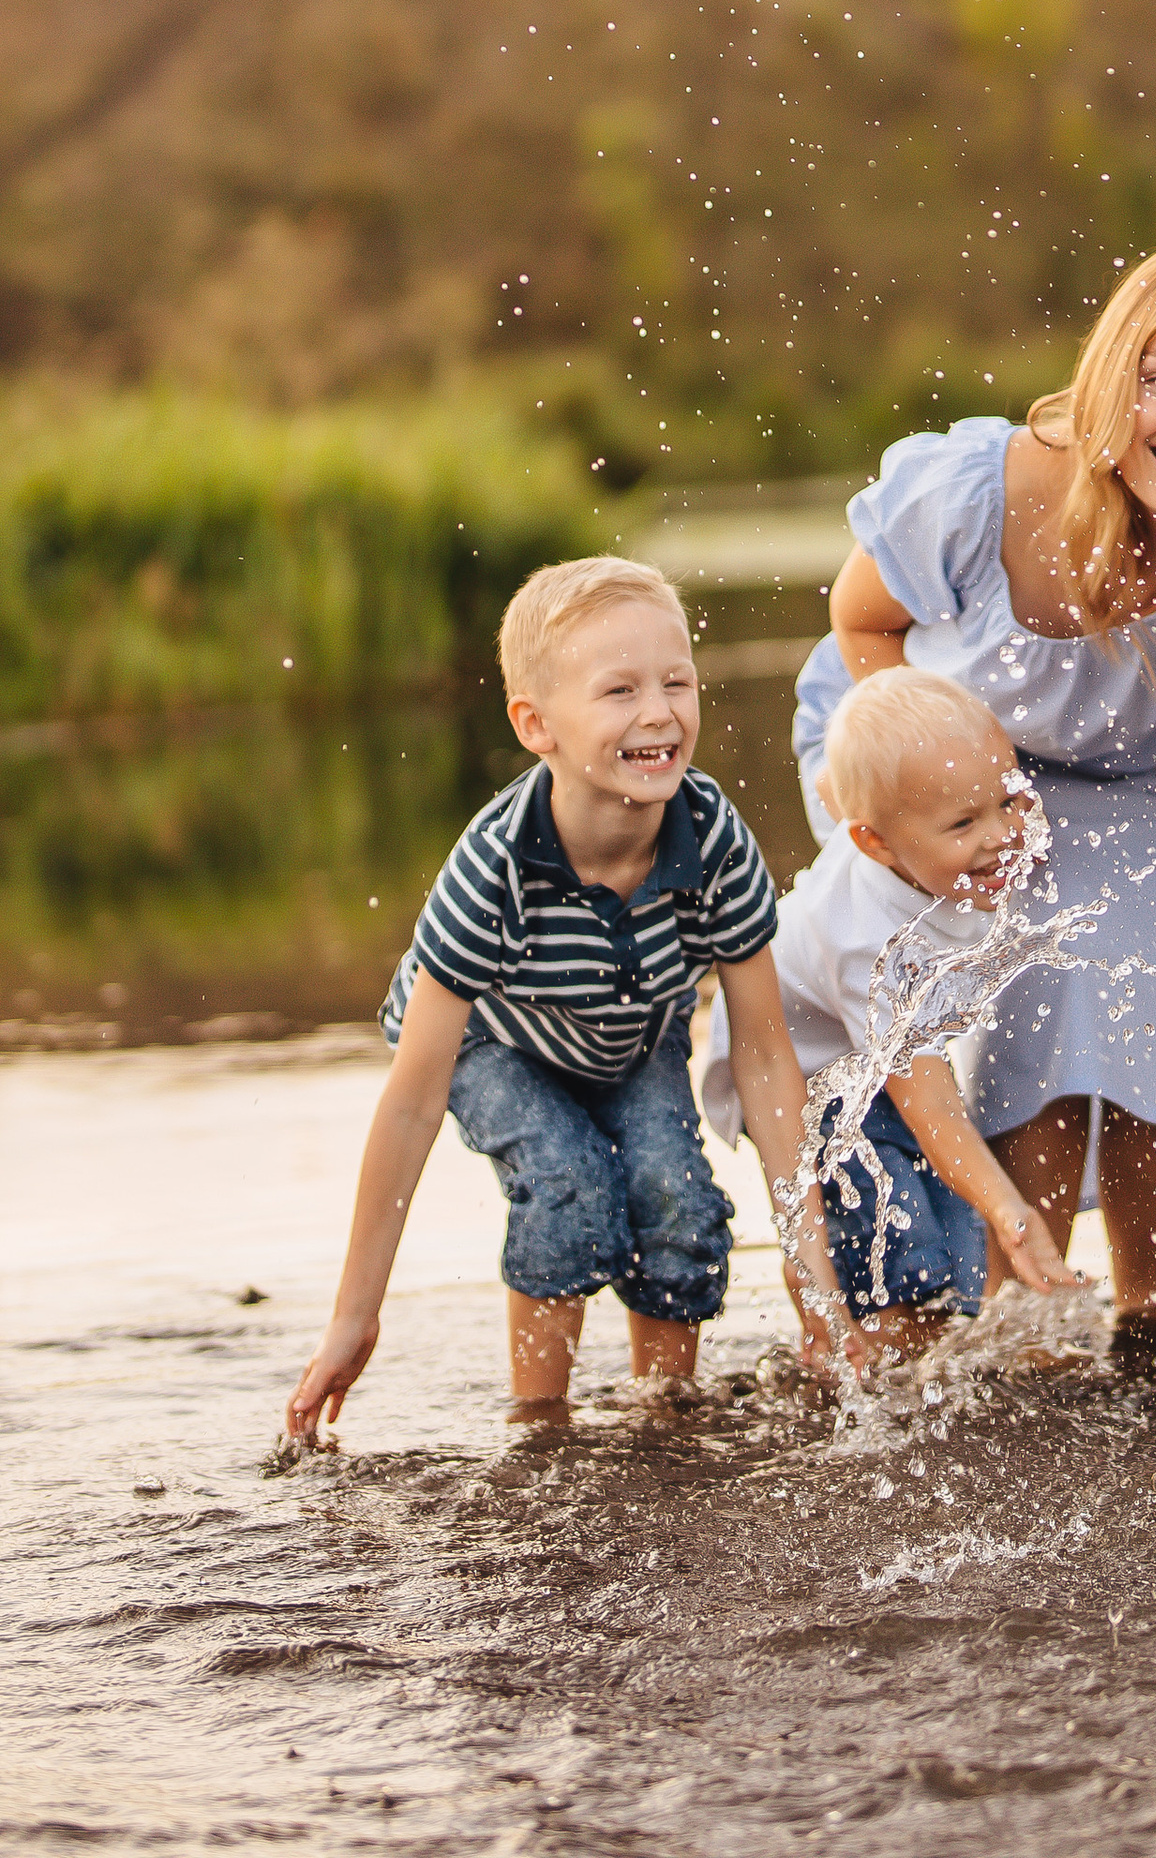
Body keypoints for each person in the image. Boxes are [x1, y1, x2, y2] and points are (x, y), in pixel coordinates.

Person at [788, 236, 1156, 1333]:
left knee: (1139, 969)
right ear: (1114, 375)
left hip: (1138, 785)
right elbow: (860, 624)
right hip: (919, 771)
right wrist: (946, 801)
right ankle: (1013, 1316)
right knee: (1018, 971)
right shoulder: (982, 489)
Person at [285, 556, 843, 1436]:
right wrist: (356, 1314)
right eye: (618, 691)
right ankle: (540, 1429)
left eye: (676, 682)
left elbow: (768, 1060)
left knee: (678, 1204)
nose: (659, 712)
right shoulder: (494, 866)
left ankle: (667, 1418)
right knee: (571, 1183)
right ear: (536, 725)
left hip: (630, 1033)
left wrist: (814, 1284)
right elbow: (411, 1101)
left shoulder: (715, 841)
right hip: (493, 1042)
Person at [704, 667, 1083, 1372]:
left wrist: (988, 1210)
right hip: (806, 1082)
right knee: (892, 1240)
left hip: (878, 1070)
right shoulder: (868, 943)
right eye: (964, 823)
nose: (1001, 835)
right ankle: (859, 1365)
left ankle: (931, 1364)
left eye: (1006, 802)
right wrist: (1012, 1210)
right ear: (875, 843)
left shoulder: (936, 865)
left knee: (954, 1243)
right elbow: (930, 1105)